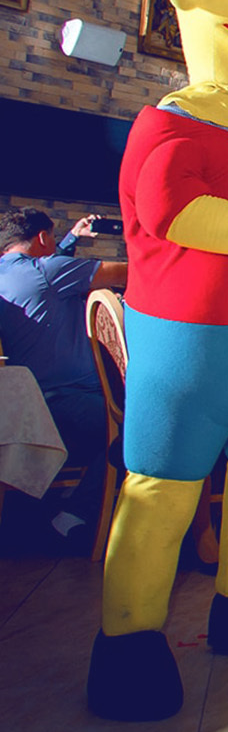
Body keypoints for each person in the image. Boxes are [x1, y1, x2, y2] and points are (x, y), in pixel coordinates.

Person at [0, 207, 127, 542]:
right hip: (70, 402)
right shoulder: (49, 271)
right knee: (143, 430)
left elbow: (47, 281)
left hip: (28, 408)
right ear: (43, 237)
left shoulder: (9, 275)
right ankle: (76, 513)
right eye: (53, 238)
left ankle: (81, 494)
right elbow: (125, 273)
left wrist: (71, 239)